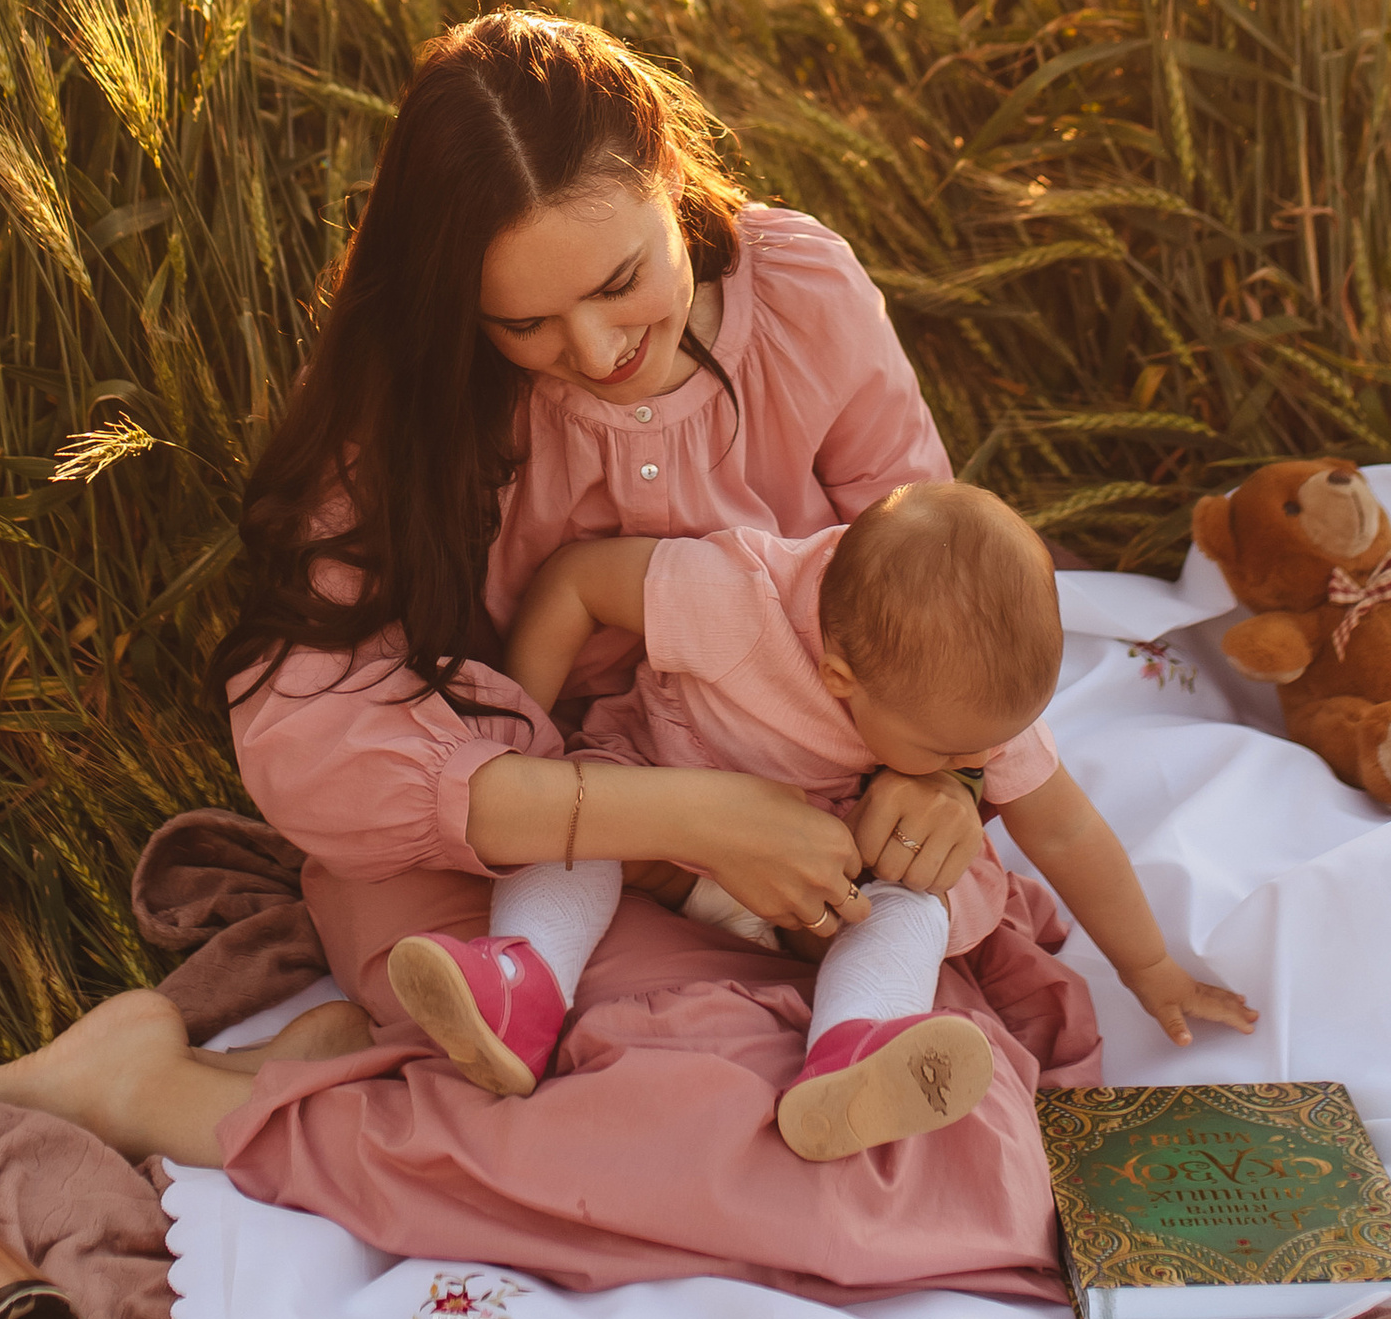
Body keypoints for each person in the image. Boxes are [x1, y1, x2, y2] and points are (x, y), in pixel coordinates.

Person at [0, 12, 1105, 1303]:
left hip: (798, 845)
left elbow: (920, 555)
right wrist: (679, 814)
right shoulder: (411, 403)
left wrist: (935, 782)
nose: (597, 350)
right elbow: (306, 743)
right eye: (529, 325)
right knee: (736, 1139)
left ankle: (339, 1063)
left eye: (623, 282)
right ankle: (166, 1093)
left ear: (669, 174)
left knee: (962, 1150)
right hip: (506, 871)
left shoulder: (805, 298)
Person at [391, 484, 1257, 1157]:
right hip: (669, 814)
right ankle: (521, 984)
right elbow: (577, 582)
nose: (980, 766)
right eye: (951, 750)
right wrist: (523, 738)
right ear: (840, 677)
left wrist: (1151, 968)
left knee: (917, 899)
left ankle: (856, 1052)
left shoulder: (969, 698)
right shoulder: (735, 601)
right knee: (576, 820)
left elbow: (1064, 830)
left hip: (828, 885)